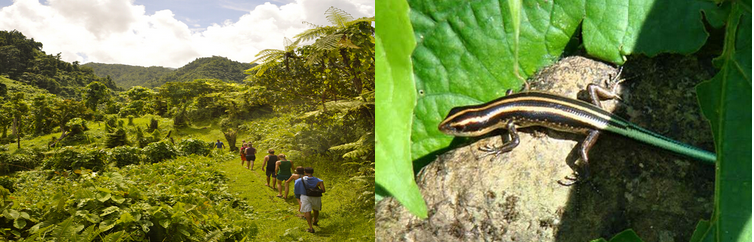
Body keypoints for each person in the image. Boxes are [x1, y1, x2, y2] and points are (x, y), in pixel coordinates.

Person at [294, 167, 325, 233]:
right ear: (313, 172)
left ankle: (311, 228)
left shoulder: (299, 180)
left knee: (307, 211)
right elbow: (323, 190)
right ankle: (315, 220)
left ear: (304, 172)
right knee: (316, 209)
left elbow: (296, 190)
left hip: (305, 196)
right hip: (316, 196)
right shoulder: (319, 180)